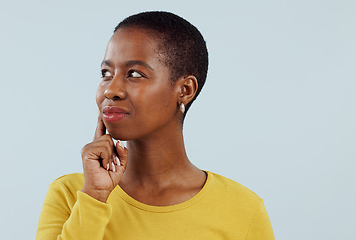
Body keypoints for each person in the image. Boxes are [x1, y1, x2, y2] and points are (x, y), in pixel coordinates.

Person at [36, 11, 274, 240]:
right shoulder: (71, 194)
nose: (111, 89)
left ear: (185, 90)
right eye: (106, 73)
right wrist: (95, 197)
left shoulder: (242, 208)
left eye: (134, 74)